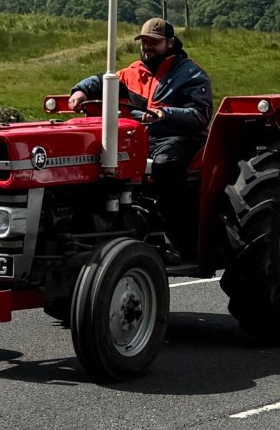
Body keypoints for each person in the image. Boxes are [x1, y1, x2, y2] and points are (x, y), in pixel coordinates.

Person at [68, 17, 213, 263]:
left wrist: (164, 114)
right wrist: (81, 90)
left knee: (165, 166)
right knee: (96, 161)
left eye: (154, 42)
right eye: (144, 42)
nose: (147, 47)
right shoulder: (132, 73)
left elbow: (200, 115)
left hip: (177, 137)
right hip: (139, 138)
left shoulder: (191, 74)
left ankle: (183, 244)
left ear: (170, 43)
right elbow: (103, 81)